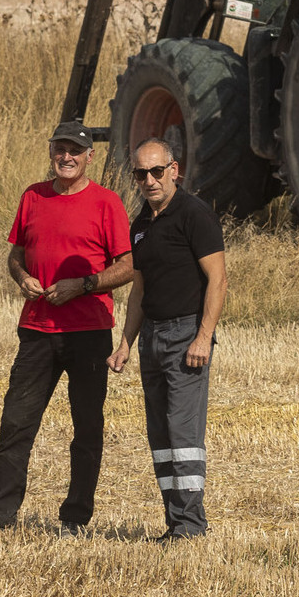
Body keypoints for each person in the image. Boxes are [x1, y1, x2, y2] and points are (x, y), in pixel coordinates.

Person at [0, 119, 133, 534]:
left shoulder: (107, 203)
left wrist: (83, 285)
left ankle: (75, 518)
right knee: (16, 423)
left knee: (87, 427)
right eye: (60, 149)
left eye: (75, 151)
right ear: (51, 152)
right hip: (37, 329)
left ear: (91, 156)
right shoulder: (32, 197)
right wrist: (22, 278)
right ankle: (2, 518)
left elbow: (126, 267)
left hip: (89, 332)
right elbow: (15, 255)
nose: (66, 157)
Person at [107, 139, 226, 540]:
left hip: (186, 335)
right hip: (151, 338)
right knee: (160, 433)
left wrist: (202, 338)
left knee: (183, 433)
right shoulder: (140, 224)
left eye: (157, 171)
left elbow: (218, 280)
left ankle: (191, 526)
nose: (149, 180)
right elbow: (138, 291)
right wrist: (125, 342)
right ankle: (174, 522)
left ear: (174, 170)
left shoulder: (195, 215)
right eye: (141, 173)